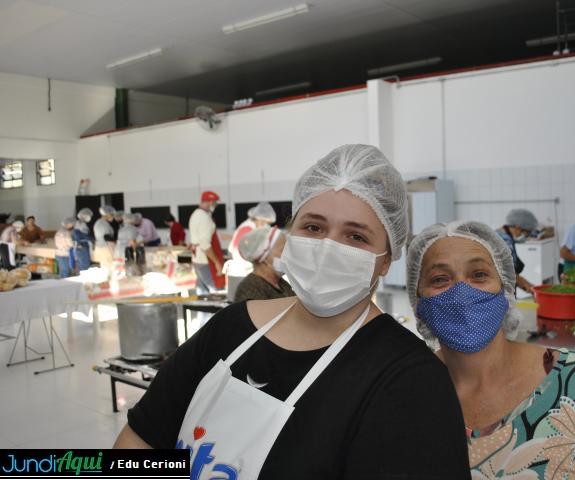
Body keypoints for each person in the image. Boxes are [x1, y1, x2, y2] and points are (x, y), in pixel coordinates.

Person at [114, 144, 470, 480]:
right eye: (313, 227)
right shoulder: (230, 328)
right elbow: (143, 441)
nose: (328, 247)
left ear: (386, 260)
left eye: (356, 237)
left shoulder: (411, 380)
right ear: (290, 234)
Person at [406, 220, 575, 478]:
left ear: (505, 288)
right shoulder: (404, 397)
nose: (461, 292)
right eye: (439, 279)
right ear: (418, 299)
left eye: (479, 274)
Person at [233, 226, 294, 303]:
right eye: (283, 250)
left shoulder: (282, 284)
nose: (288, 255)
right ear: (263, 256)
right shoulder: (249, 288)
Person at [188, 191, 225, 299]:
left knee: (202, 294)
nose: (215, 206)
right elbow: (205, 244)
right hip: (206, 261)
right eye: (215, 203)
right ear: (210, 202)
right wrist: (217, 263)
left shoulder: (195, 214)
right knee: (216, 295)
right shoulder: (204, 218)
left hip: (197, 260)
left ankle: (203, 316)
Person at [497, 208, 537, 293]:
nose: (527, 236)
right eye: (527, 233)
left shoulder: (502, 234)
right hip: (501, 291)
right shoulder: (504, 242)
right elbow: (506, 272)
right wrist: (528, 286)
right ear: (518, 228)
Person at [94, 205, 116, 270]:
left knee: (106, 267)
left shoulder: (100, 222)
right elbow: (107, 237)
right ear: (107, 214)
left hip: (102, 248)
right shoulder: (102, 224)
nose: (113, 217)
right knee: (108, 268)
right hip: (105, 248)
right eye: (112, 215)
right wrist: (117, 242)